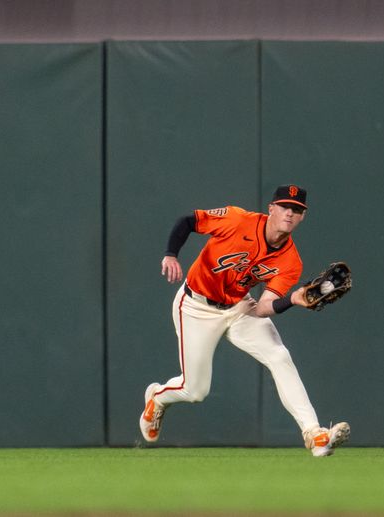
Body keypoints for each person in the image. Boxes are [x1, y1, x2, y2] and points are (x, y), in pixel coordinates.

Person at [139, 185, 350, 457]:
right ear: (271, 208)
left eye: (297, 210)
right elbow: (189, 221)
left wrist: (293, 300)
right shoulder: (237, 220)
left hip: (240, 306)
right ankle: (157, 398)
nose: (290, 213)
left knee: (279, 356)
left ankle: (314, 434)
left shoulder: (291, 262)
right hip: (196, 306)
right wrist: (170, 254)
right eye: (285, 207)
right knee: (195, 390)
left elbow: (262, 308)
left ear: (302, 218)